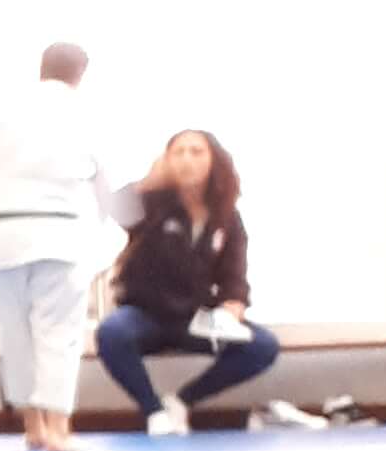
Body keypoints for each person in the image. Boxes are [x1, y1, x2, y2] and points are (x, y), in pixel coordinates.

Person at [0, 36, 116, 451]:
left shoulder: (4, 110)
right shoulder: (84, 112)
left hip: (2, 233)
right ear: (81, 74)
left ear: (42, 67)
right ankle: (58, 430)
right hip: (59, 234)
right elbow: (103, 182)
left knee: (16, 337)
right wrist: (109, 227)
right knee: (58, 334)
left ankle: (33, 427)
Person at [97, 126, 279, 433]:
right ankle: (154, 412)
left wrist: (232, 307)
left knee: (262, 346)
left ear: (213, 160)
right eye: (178, 152)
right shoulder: (151, 203)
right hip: (146, 315)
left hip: (195, 318)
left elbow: (234, 278)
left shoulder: (227, 216)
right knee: (112, 333)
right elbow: (111, 208)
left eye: (196, 152)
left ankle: (181, 402)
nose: (186, 159)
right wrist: (148, 182)